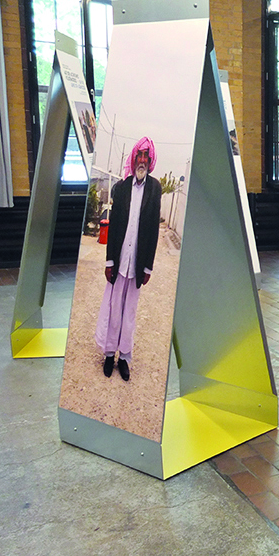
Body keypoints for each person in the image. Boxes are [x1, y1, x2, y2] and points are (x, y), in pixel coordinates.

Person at [95, 136, 162, 381]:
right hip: (119, 261)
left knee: (130, 312)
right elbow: (113, 227)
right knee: (114, 309)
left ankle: (124, 358)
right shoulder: (122, 188)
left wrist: (148, 267)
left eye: (146, 156)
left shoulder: (155, 189)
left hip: (137, 263)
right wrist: (109, 262)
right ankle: (109, 354)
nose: (142, 160)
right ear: (133, 158)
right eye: (139, 155)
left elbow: (153, 230)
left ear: (150, 160)